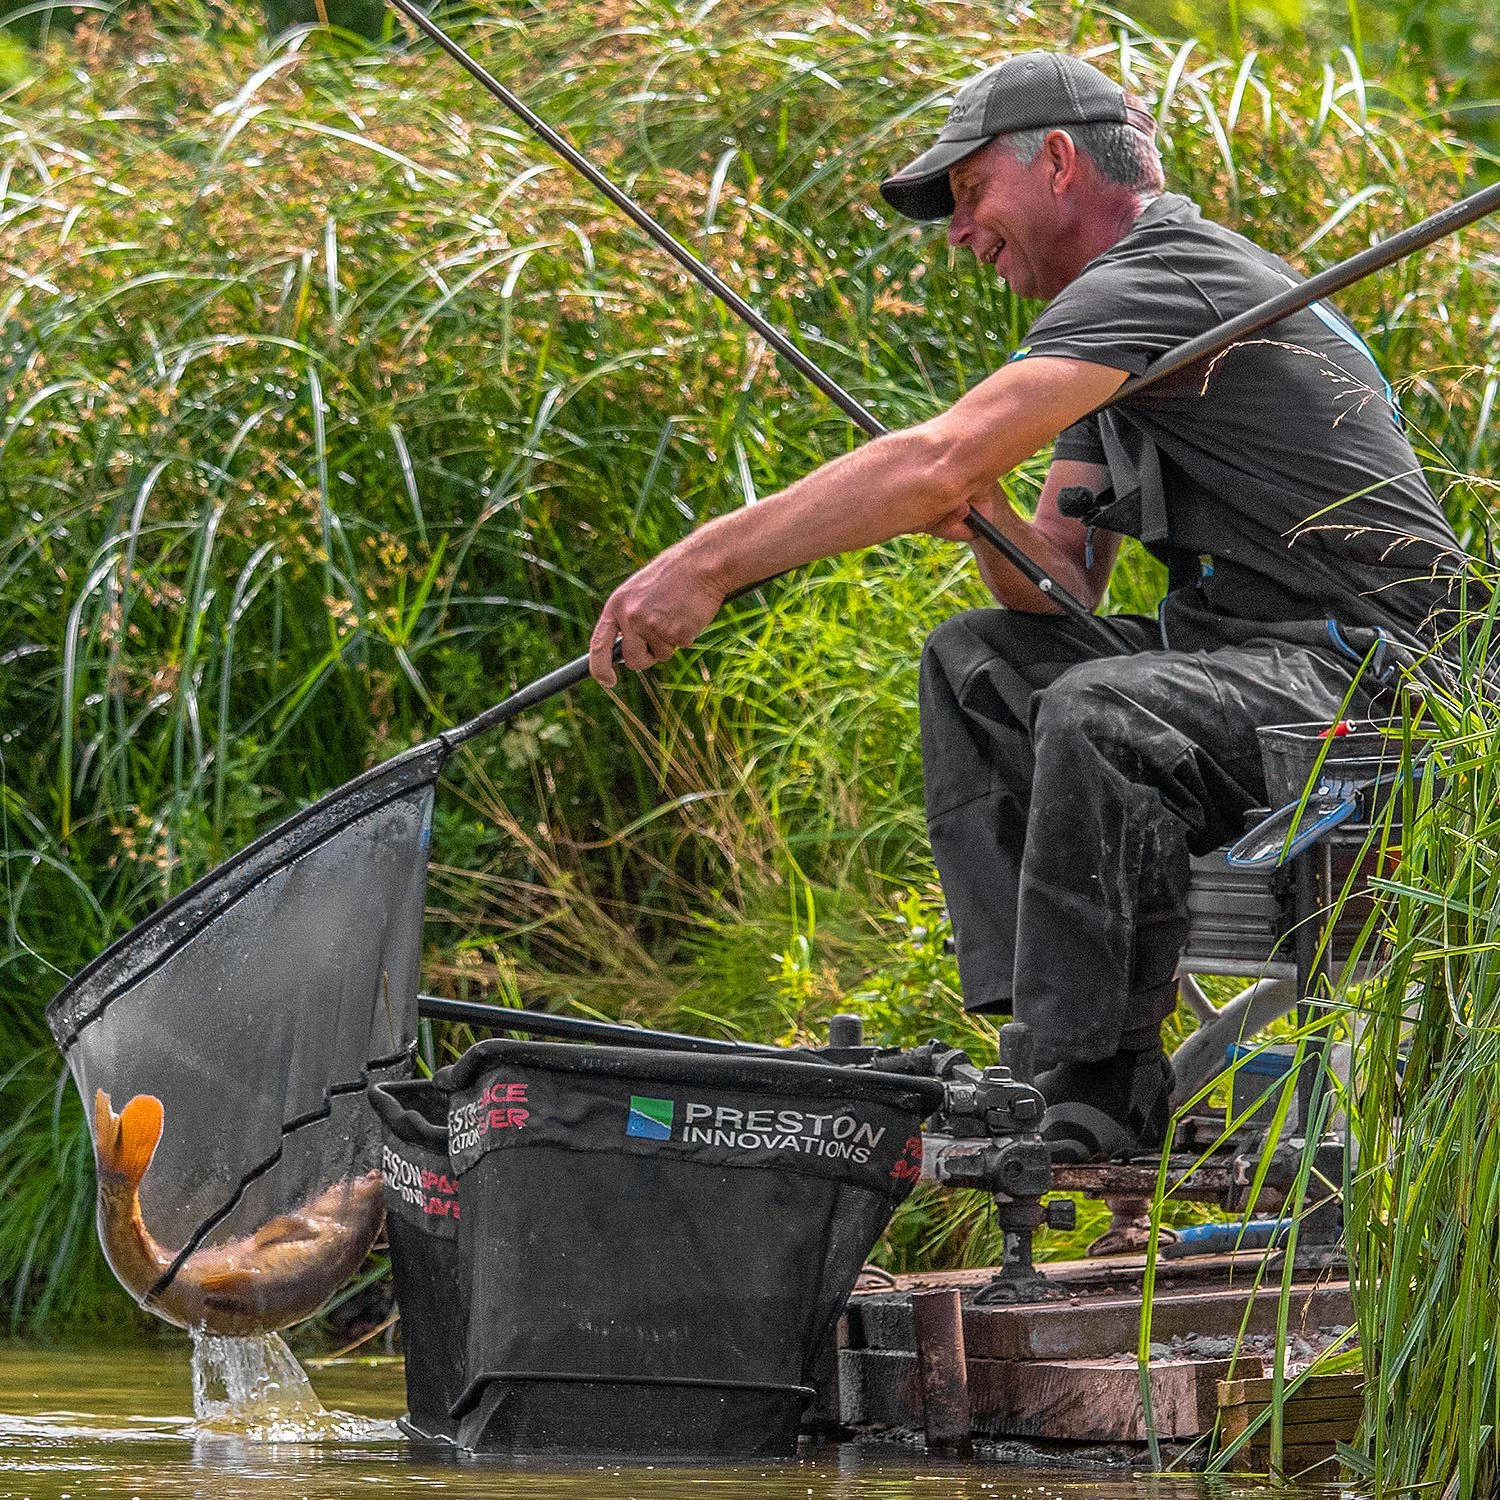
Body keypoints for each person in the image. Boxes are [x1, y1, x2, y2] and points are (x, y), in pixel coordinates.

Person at [585, 51, 1474, 1161]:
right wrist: (985, 516)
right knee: (981, 663)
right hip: (1250, 660)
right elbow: (1061, 576)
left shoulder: (1169, 272)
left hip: (1378, 679)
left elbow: (931, 459)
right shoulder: (1114, 331)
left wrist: (707, 565)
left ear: (1057, 161)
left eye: (970, 195)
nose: (961, 234)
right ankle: (1044, 1047)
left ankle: (1095, 1081)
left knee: (1105, 712)